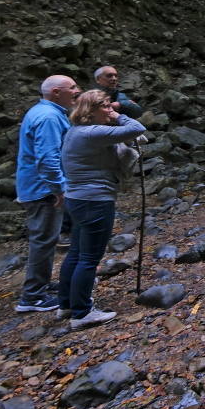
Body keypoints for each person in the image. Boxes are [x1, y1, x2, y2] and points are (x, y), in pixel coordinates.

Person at [58, 89, 145, 330]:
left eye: (110, 106)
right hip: (95, 200)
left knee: (76, 253)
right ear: (91, 111)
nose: (110, 110)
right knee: (88, 258)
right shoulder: (92, 132)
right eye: (105, 107)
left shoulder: (76, 131)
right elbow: (137, 128)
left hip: (76, 199)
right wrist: (118, 117)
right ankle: (82, 312)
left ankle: (66, 304)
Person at [14, 74, 81, 312]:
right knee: (44, 241)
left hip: (40, 186)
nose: (77, 91)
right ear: (55, 92)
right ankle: (32, 297)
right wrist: (59, 188)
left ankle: (40, 285)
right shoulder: (49, 118)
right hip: (43, 190)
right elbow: (47, 158)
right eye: (72, 87)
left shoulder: (45, 112)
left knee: (48, 239)